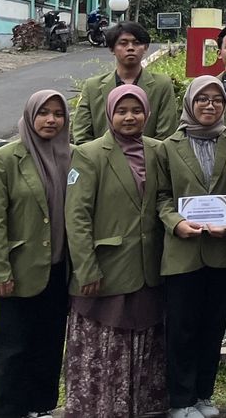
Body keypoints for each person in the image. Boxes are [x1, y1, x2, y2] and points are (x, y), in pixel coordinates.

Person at [63, 85, 167, 418]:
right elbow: (76, 216)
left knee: (146, 335)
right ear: (109, 114)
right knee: (105, 341)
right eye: (121, 111)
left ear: (147, 114)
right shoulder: (89, 153)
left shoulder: (158, 151)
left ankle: (144, 406)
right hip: (107, 267)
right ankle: (100, 407)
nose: (129, 117)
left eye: (136, 110)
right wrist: (86, 267)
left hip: (149, 266)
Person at [0, 90, 72, 418]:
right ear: (30, 116)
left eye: (58, 114)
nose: (51, 120)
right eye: (43, 113)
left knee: (49, 345)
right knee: (12, 349)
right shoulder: (6, 159)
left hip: (59, 270)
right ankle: (7, 411)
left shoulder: (71, 156)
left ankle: (40, 407)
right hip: (17, 271)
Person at [156, 77, 226, 418]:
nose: (210, 105)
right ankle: (180, 400)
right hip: (182, 250)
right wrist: (176, 222)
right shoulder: (167, 147)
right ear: (190, 103)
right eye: (202, 99)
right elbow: (161, 197)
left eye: (217, 100)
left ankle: (204, 394)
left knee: (213, 326)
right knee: (181, 327)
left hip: (222, 250)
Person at [71, 21, 181, 143]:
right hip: (100, 160)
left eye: (136, 43)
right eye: (123, 43)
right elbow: (81, 135)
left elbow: (166, 135)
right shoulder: (92, 87)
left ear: (145, 47)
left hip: (149, 159)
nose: (130, 48)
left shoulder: (162, 84)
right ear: (112, 48)